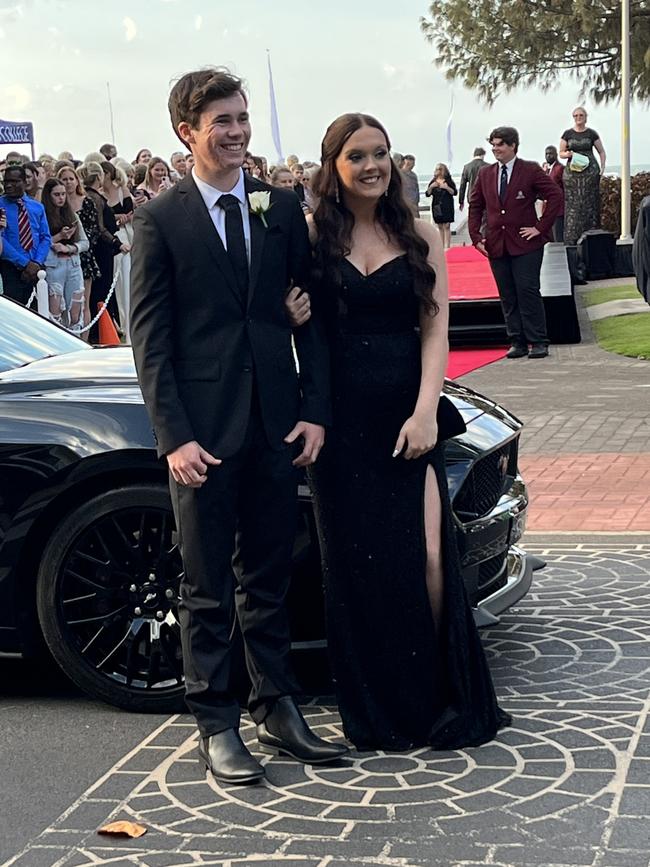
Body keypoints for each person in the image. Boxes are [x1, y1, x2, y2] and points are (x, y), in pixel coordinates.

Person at [129, 66, 347, 787]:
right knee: (206, 583)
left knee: (269, 573)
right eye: (221, 120)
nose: (237, 131)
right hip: (203, 431)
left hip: (276, 422)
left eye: (242, 117)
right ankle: (215, 720)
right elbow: (151, 338)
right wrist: (173, 436)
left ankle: (277, 704)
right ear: (186, 131)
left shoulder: (278, 207)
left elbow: (304, 310)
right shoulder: (160, 220)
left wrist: (313, 408)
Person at [284, 112, 510, 752]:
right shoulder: (310, 236)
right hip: (341, 421)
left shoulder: (417, 234)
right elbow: (294, 322)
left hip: (407, 415)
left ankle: (436, 695)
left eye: (380, 153)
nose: (372, 165)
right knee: (357, 567)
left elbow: (435, 329)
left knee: (431, 557)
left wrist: (423, 409)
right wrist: (287, 309)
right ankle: (375, 704)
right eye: (357, 156)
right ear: (335, 167)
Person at [468, 126, 563, 359]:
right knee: (507, 294)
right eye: (493, 144)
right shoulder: (486, 173)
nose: (495, 149)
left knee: (527, 290)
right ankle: (517, 341)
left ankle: (538, 340)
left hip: (526, 243)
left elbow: (555, 195)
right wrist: (475, 236)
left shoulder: (529, 170)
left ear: (512, 145)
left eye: (500, 144)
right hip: (496, 244)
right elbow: (476, 205)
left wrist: (541, 227)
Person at [78, 161, 128, 340]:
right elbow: (100, 228)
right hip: (102, 252)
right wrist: (117, 243)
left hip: (98, 250)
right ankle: (100, 333)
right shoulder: (95, 199)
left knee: (100, 293)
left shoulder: (89, 197)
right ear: (99, 176)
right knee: (101, 293)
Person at [57, 164, 101, 338]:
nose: (68, 183)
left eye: (70, 179)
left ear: (77, 181)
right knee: (63, 304)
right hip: (60, 256)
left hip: (83, 255)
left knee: (82, 302)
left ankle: (85, 338)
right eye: (64, 179)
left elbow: (94, 229)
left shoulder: (87, 201)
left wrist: (75, 242)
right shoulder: (56, 204)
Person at [0, 164, 51, 304]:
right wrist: (24, 263)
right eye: (6, 182)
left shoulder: (36, 207)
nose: (9, 186)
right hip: (11, 268)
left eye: (14, 182)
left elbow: (45, 237)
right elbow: (1, 239)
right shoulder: (0, 206)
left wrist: (36, 262)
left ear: (24, 182)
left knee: (38, 310)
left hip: (36, 270)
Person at [41, 177, 88, 328]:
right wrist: (59, 237)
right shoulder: (43, 216)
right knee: (55, 312)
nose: (61, 198)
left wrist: (70, 247)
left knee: (75, 312)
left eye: (63, 194)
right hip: (54, 265)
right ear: (49, 196)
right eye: (57, 194)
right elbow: (41, 242)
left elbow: (84, 242)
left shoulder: (72, 214)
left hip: (73, 263)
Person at [559, 107, 606, 245]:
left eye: (581, 115)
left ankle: (592, 232)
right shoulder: (567, 134)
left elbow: (601, 151)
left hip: (589, 171)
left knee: (590, 202)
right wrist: (568, 154)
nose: (578, 117)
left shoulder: (591, 133)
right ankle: (572, 236)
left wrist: (602, 167)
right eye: (576, 115)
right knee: (574, 204)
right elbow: (560, 152)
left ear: (586, 117)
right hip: (573, 173)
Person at [102, 161, 134, 339]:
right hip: (111, 243)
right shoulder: (98, 195)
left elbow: (132, 212)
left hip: (126, 240)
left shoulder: (123, 190)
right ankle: (120, 323)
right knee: (116, 286)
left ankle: (129, 327)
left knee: (126, 284)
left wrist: (125, 218)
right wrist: (114, 217)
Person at [426, 163, 457, 249]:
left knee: (447, 225)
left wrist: (446, 187)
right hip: (437, 205)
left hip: (447, 204)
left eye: (440, 169)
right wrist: (431, 187)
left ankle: (447, 245)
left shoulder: (448, 181)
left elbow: (454, 192)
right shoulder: (433, 182)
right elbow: (427, 194)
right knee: (439, 225)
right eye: (437, 169)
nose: (438, 171)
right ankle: (441, 245)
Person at [543, 145, 565, 242]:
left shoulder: (560, 169)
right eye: (546, 154)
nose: (548, 156)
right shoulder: (548, 170)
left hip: (559, 209)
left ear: (556, 155)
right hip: (549, 210)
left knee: (558, 238)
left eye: (551, 154)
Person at [458, 147, 486, 212]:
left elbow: (462, 185)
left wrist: (461, 201)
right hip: (484, 196)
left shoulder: (467, 167)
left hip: (471, 196)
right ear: (483, 155)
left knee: (473, 217)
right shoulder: (487, 166)